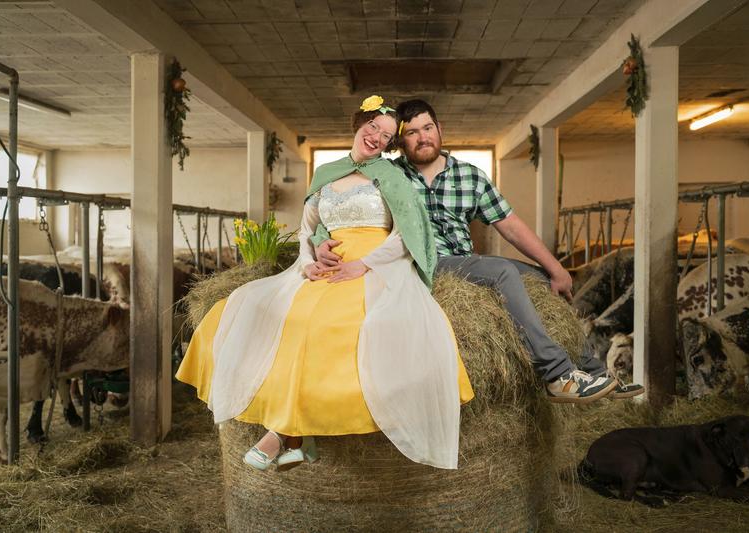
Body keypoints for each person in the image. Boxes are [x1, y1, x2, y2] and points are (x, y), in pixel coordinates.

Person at [176, 95, 474, 472]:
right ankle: (297, 436)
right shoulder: (327, 173)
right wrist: (310, 260)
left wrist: (363, 265)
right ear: (360, 124)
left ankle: (284, 433)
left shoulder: (392, 177)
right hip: (328, 266)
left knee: (330, 324)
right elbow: (308, 229)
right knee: (247, 305)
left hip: (377, 264)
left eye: (386, 136)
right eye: (373, 127)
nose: (377, 137)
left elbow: (406, 235)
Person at [314, 99, 644, 403]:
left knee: (544, 279)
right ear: (400, 142)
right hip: (422, 262)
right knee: (502, 272)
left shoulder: (469, 175)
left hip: (464, 260)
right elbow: (345, 202)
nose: (422, 137)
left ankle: (598, 374)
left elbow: (510, 226)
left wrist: (557, 268)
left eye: (427, 128)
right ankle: (557, 375)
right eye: (411, 133)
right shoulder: (390, 175)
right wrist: (319, 237)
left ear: (440, 129)